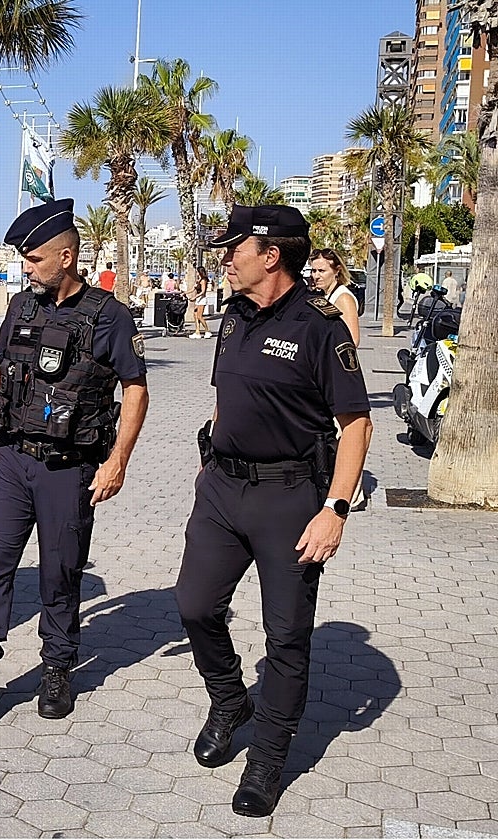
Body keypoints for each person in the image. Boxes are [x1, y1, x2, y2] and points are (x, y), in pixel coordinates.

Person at [175, 205, 371, 817]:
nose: (225, 257)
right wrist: (209, 458)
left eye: (235, 248)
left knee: (285, 634)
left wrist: (335, 508)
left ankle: (267, 754)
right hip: (222, 490)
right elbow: (226, 398)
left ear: (271, 255)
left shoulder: (321, 327)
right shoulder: (233, 316)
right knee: (194, 604)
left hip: (290, 497)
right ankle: (230, 698)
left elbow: (356, 423)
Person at [0, 198, 149, 720]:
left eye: (33, 259)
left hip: (70, 466)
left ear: (66, 257)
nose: (25, 269)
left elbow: (136, 389)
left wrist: (118, 460)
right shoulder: (20, 308)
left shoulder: (109, 316)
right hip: (14, 459)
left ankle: (56, 670)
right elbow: (0, 371)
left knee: (61, 570)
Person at [310, 248, 369, 511]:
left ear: (336, 270)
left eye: (321, 270)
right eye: (313, 270)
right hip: (328, 375)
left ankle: (352, 493)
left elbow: (352, 339)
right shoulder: (326, 296)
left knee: (348, 433)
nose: (316, 276)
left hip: (340, 374)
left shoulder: (343, 297)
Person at [188, 267, 212, 339]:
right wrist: (185, 293)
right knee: (195, 315)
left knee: (199, 316)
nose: (197, 273)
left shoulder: (203, 281)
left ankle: (207, 331)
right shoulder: (199, 280)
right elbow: (193, 289)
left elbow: (203, 291)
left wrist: (194, 297)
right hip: (198, 299)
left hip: (202, 299)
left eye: (197, 272)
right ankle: (197, 331)